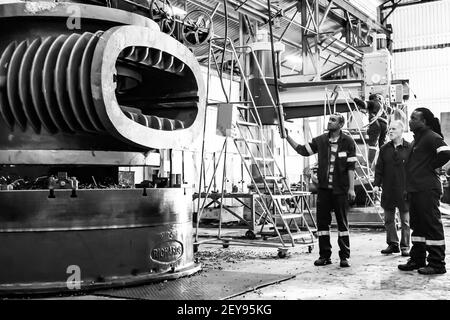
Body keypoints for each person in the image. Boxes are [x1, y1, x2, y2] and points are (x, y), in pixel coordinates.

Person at [284, 113, 357, 268]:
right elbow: (303, 150)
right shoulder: (321, 141)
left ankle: (345, 256)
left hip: (341, 191)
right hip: (324, 190)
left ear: (340, 125)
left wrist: (351, 189)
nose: (329, 122)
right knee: (322, 225)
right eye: (329, 119)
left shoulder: (348, 142)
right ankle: (324, 256)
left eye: (333, 120)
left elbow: (351, 167)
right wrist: (287, 137)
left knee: (343, 225)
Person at [398, 108, 450, 275]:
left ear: (424, 122)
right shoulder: (417, 140)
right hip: (416, 189)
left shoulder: (430, 136)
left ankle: (437, 264)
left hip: (427, 189)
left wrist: (431, 166)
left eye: (414, 118)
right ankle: (417, 259)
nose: (410, 121)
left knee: (431, 225)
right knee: (418, 226)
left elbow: (446, 152)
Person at [373, 120, 411, 256]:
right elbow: (379, 169)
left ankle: (405, 246)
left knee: (405, 221)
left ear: (402, 130)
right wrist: (376, 185)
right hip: (388, 189)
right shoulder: (384, 149)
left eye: (393, 129)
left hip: (404, 190)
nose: (390, 131)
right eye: (389, 129)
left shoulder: (409, 148)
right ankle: (393, 244)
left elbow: (414, 170)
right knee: (389, 219)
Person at [352, 93, 388, 167]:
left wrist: (353, 98)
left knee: (373, 144)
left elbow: (363, 104)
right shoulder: (383, 105)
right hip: (385, 124)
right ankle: (385, 162)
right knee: (382, 145)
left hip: (376, 124)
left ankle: (369, 163)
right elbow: (391, 111)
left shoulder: (373, 102)